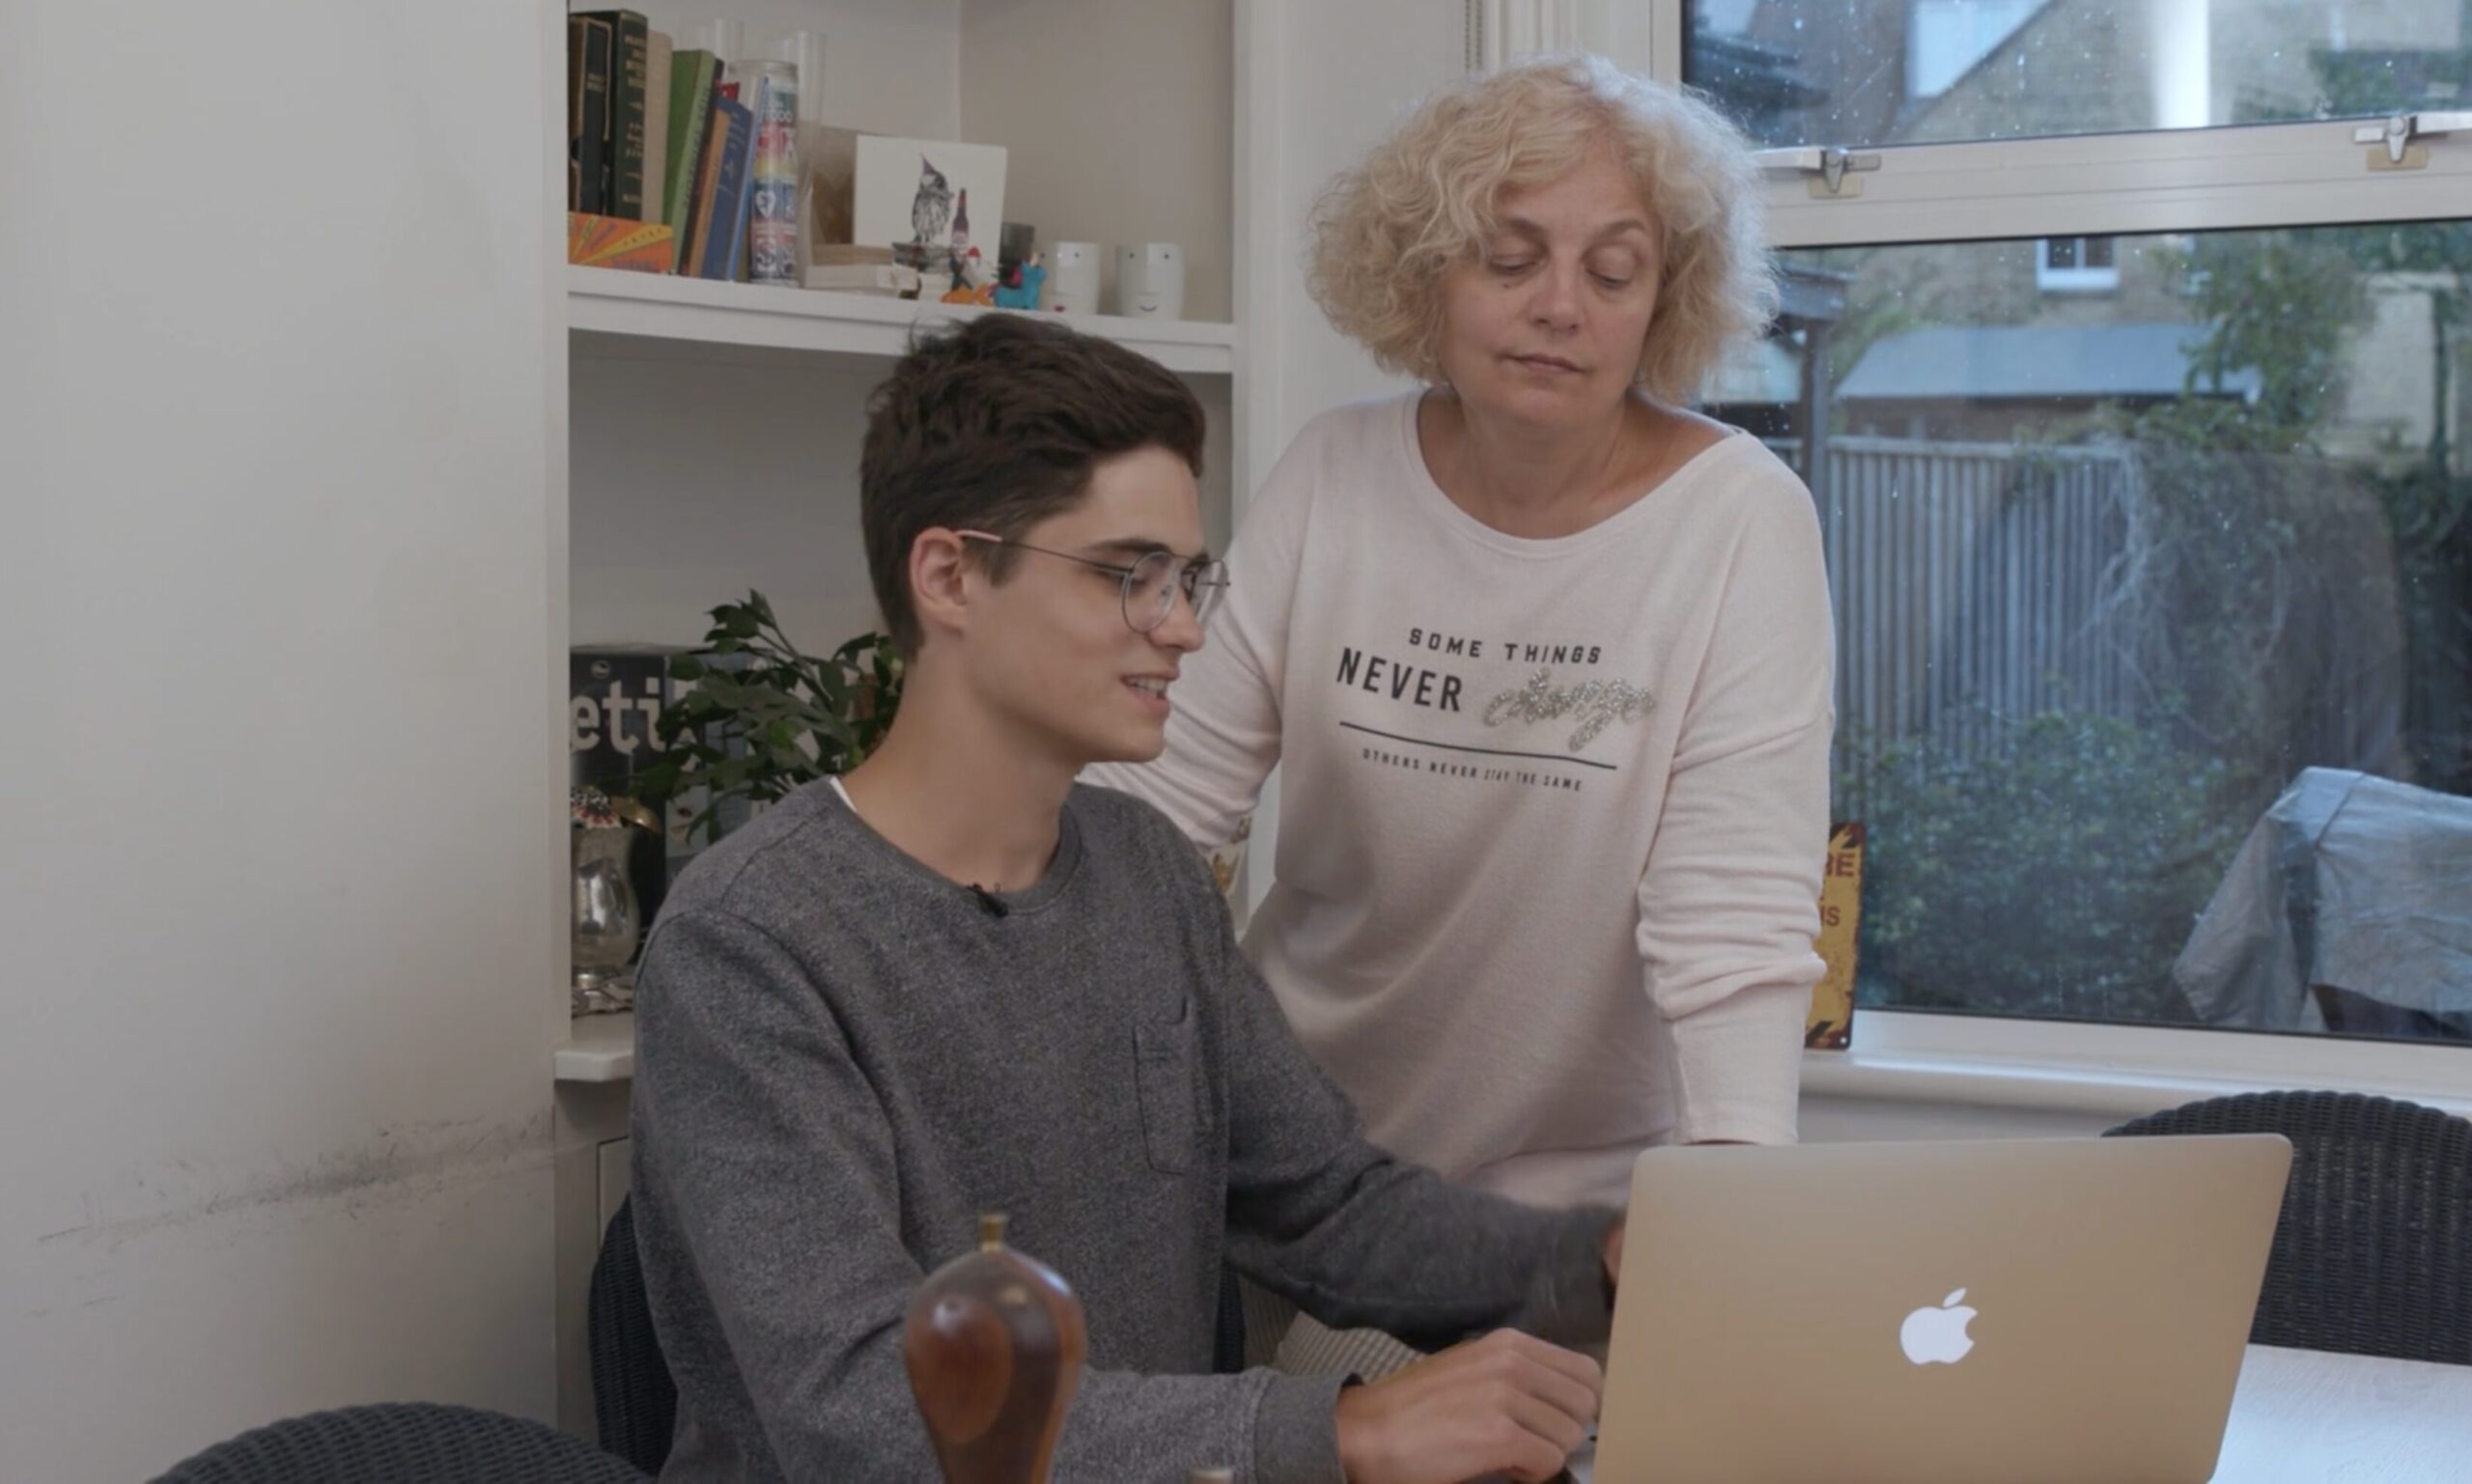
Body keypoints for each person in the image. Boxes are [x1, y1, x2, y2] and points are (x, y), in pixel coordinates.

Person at [628, 313, 1624, 1484]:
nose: (1185, 628)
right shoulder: (748, 942)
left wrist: (1602, 1261)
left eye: (1186, 576)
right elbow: (862, 1409)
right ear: (949, 574)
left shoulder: (1144, 872)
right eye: (1127, 576)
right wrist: (1344, 1433)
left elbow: (1324, 1208)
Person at [1090, 55, 1834, 1362]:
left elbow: (1734, 914)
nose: (1562, 308)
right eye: (1509, 258)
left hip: (1570, 1208)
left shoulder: (1738, 520)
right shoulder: (1334, 473)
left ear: (1664, 300)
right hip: (1293, 1163)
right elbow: (1156, 807)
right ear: (1425, 271)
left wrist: (1739, 1214)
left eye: (1614, 272)